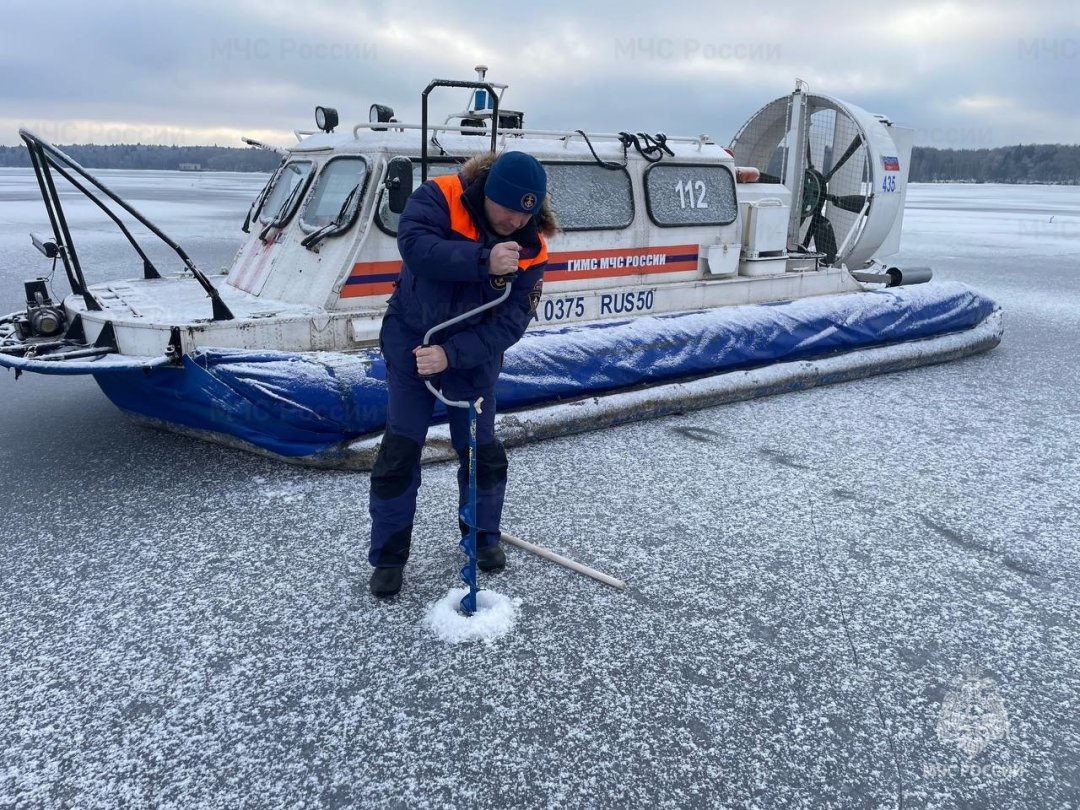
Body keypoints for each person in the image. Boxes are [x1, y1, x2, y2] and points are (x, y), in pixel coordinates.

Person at [368, 150, 556, 598]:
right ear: (487, 193)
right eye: (507, 209)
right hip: (411, 344)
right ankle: (389, 559)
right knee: (399, 453)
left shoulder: (532, 251)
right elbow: (416, 248)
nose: (514, 221)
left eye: (525, 212)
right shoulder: (438, 197)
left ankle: (482, 538)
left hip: (471, 362)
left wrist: (451, 355)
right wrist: (484, 261)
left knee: (481, 453)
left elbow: (510, 323)